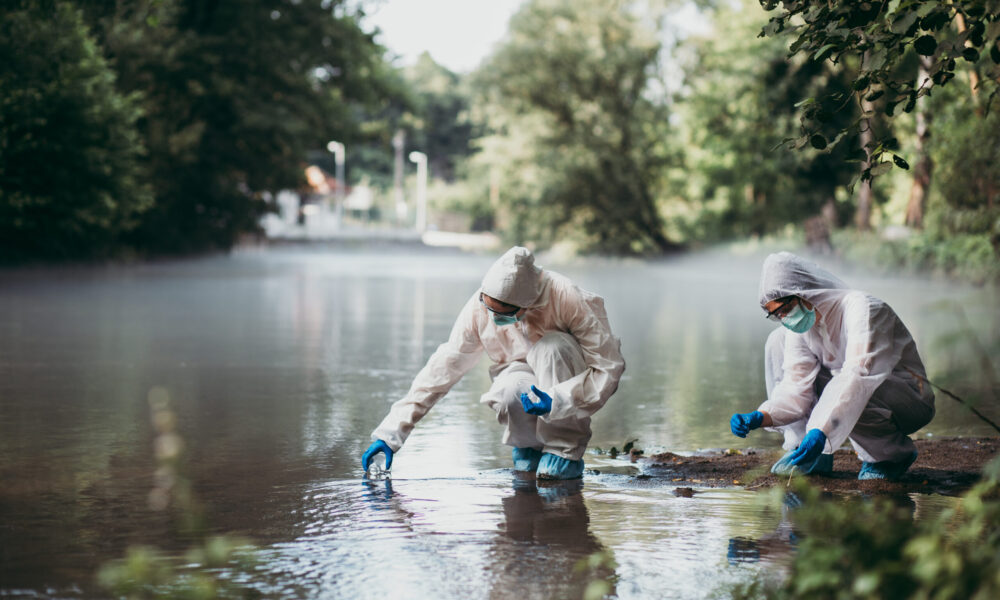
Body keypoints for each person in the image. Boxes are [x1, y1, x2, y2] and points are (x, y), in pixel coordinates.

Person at [361, 246, 625, 480]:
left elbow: (608, 366)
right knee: (511, 389)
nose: (492, 317)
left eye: (503, 313)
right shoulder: (479, 308)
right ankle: (528, 446)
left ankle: (563, 450)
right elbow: (443, 368)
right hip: (519, 371)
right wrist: (391, 433)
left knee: (550, 348)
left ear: (527, 305)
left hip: (564, 369)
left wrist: (558, 398)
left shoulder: (565, 296)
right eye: (489, 308)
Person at [729, 252, 935, 480]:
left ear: (803, 292)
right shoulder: (803, 328)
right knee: (778, 340)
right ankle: (809, 451)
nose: (784, 318)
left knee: (853, 385)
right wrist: (761, 415)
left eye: (784, 310)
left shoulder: (865, 310)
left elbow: (858, 376)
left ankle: (888, 455)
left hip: (905, 401)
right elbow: (796, 387)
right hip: (852, 397)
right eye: (776, 315)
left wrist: (821, 429)